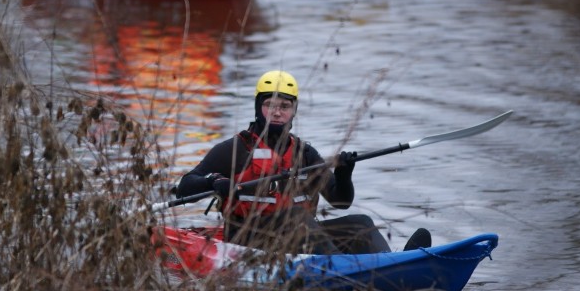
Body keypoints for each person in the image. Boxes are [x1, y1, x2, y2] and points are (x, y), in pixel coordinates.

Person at [176, 70, 432, 255]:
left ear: (294, 110)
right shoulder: (235, 149)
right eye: (270, 105)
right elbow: (185, 185)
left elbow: (340, 202)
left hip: (299, 239)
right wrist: (215, 181)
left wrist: (344, 174)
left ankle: (396, 264)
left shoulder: (305, 154)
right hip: (248, 241)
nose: (277, 111)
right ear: (258, 107)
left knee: (361, 223)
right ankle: (353, 273)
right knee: (297, 218)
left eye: (284, 106)